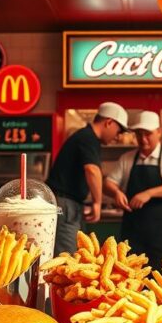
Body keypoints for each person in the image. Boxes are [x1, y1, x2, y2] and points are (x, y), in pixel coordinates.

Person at [105, 111, 162, 265]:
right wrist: (116, 192)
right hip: (132, 231)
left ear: (159, 131)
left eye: (148, 134)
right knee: (130, 275)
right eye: (139, 134)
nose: (143, 139)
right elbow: (108, 183)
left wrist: (149, 193)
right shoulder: (127, 158)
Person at [47, 102, 128, 256]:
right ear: (109, 122)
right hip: (65, 204)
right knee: (67, 259)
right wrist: (97, 202)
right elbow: (92, 170)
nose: (117, 137)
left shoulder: (86, 137)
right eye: (118, 131)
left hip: (68, 204)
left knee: (76, 256)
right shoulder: (88, 137)